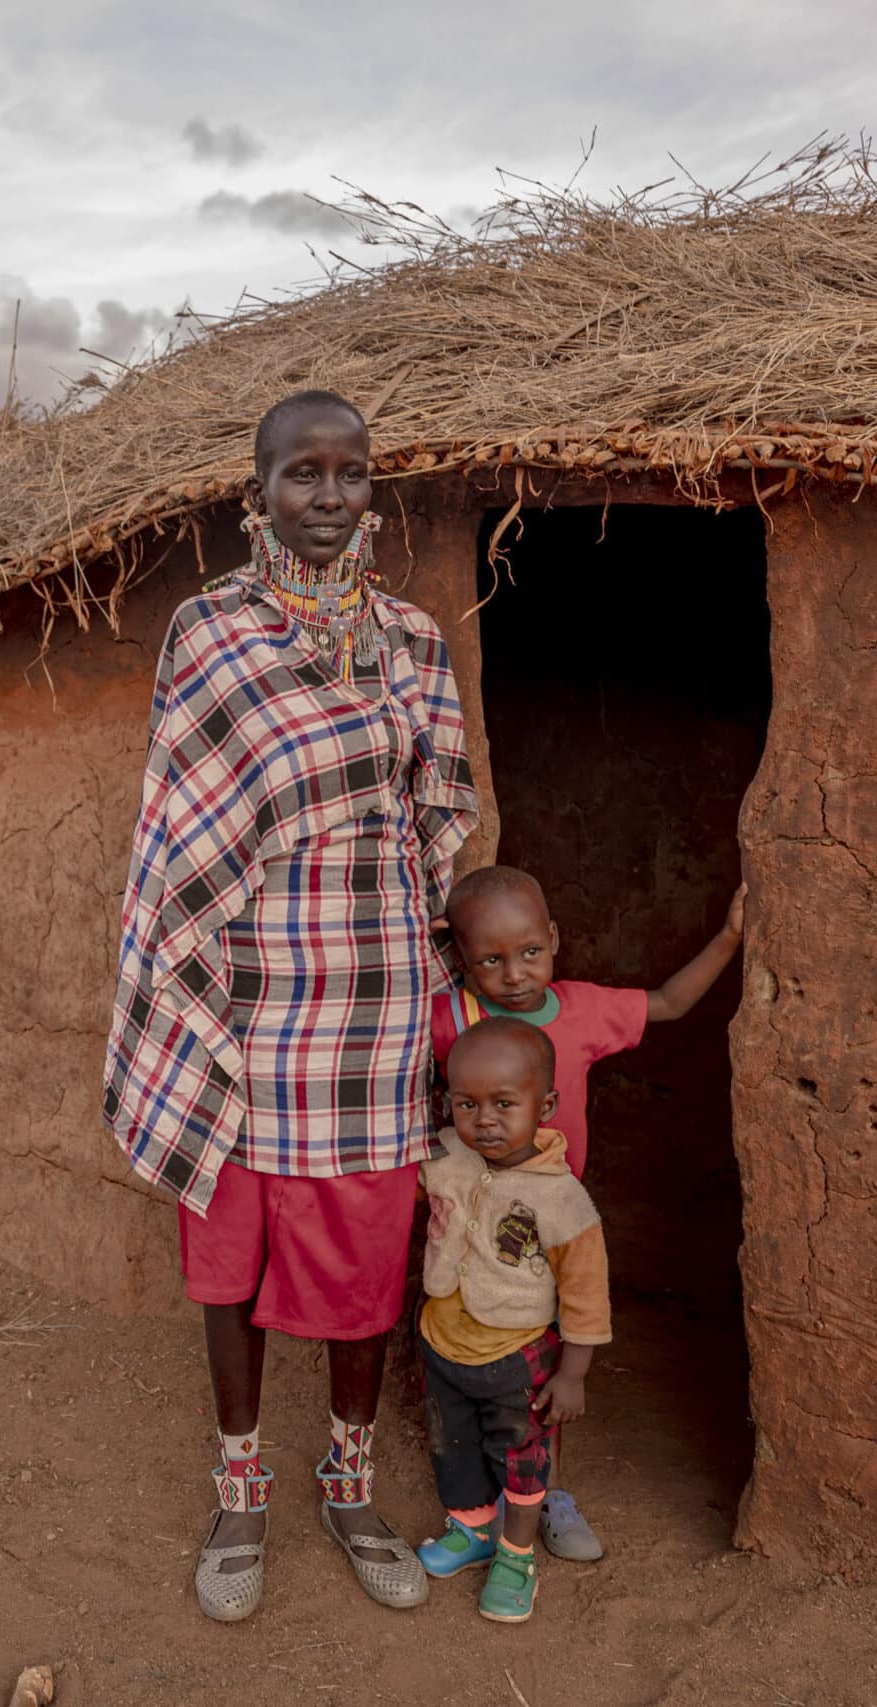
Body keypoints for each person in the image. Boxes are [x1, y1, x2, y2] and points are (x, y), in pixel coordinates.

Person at [106, 389, 478, 1622]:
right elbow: (183, 824)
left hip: (370, 1000)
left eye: (350, 474)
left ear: (372, 489)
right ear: (253, 491)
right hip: (249, 996)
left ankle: (348, 1479)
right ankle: (242, 1487)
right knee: (231, 1261)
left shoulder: (414, 642)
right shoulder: (209, 632)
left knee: (366, 1256)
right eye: (302, 475)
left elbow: (440, 815)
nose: (328, 498)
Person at [428, 863, 744, 1560]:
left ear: (556, 940)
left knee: (541, 1368)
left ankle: (548, 1493)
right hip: (475, 1216)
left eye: (530, 952)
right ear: (461, 958)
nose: (514, 974)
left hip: (546, 1220)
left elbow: (666, 1001)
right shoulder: (452, 1016)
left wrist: (728, 937)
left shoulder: (580, 1009)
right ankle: (480, 1507)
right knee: (475, 1348)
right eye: (491, 959)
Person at [410, 1016, 608, 1623]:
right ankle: (472, 1530)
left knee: (522, 1454)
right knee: (454, 1445)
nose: (484, 1120)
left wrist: (572, 1375)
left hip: (517, 1356)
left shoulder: (562, 1199)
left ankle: (517, 1554)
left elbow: (585, 1295)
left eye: (504, 1103)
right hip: (442, 1343)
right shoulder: (446, 1156)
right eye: (467, 1104)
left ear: (545, 1104)